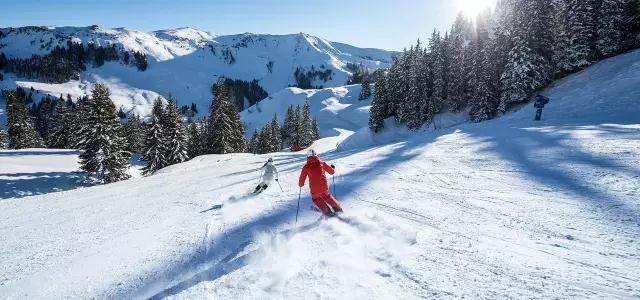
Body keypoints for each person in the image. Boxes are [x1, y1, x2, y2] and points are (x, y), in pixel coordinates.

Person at [298, 150, 343, 216]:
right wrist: (332, 168)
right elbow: (332, 172)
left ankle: (327, 212)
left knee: (316, 199)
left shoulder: (306, 167)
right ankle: (338, 208)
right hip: (324, 186)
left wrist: (300, 184)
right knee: (327, 196)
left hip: (314, 189)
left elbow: (302, 177)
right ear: (316, 155)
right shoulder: (322, 163)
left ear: (308, 157)